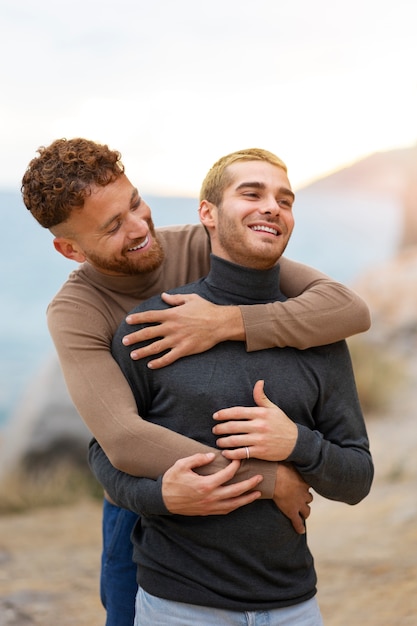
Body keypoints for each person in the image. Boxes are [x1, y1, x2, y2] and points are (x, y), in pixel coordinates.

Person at [21, 139, 371, 626]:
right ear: (69, 249)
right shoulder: (76, 311)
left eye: (136, 204)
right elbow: (122, 439)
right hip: (150, 493)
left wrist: (228, 323)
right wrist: (270, 481)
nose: (141, 227)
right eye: (113, 226)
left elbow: (347, 309)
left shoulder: (198, 242)